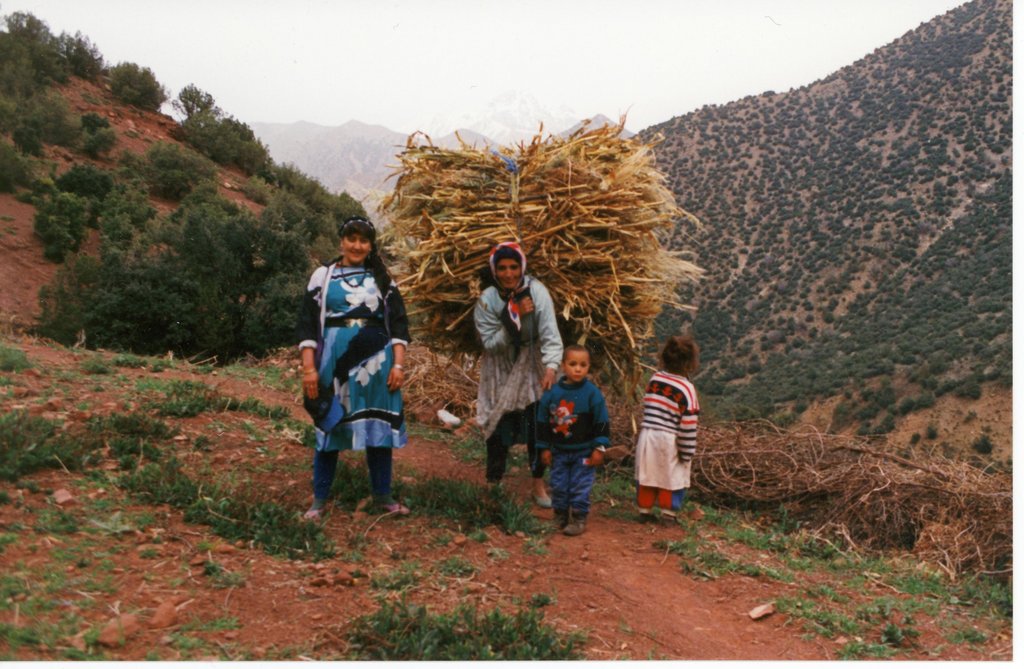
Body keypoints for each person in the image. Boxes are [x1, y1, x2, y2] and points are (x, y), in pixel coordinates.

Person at [296, 215, 411, 520]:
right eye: (352, 239)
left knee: (379, 429)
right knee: (329, 422)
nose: (357, 246)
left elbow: (399, 324)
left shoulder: (383, 278)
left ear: (371, 245)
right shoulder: (323, 276)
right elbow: (307, 324)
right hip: (334, 363)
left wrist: (399, 365)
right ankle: (319, 500)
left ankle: (383, 496)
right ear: (342, 241)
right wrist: (309, 369)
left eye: (363, 240)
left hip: (378, 364)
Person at [474, 241, 563, 507]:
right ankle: (494, 483)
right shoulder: (487, 299)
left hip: (532, 361)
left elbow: (550, 333)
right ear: (494, 270)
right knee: (498, 424)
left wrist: (551, 367)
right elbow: (490, 344)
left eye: (514, 267)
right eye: (502, 268)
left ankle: (537, 484)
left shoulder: (536, 292)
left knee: (537, 423)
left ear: (522, 267)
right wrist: (512, 318)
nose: (508, 274)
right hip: (499, 365)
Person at [536, 345, 610, 536]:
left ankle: (578, 518)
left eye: (583, 365)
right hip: (559, 450)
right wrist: (544, 447)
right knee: (558, 483)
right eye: (573, 364)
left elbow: (601, 422)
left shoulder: (592, 393)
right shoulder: (552, 393)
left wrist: (599, 447)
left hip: (584, 451)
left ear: (588, 367)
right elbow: (542, 421)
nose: (578, 369)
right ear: (563, 365)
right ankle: (560, 515)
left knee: (580, 485)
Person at [634, 335, 700, 520]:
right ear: (690, 363)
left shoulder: (655, 380)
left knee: (647, 472)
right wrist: (686, 452)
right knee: (672, 476)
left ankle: (644, 510)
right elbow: (688, 425)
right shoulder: (687, 389)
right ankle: (668, 513)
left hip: (648, 434)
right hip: (669, 439)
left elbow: (648, 404)